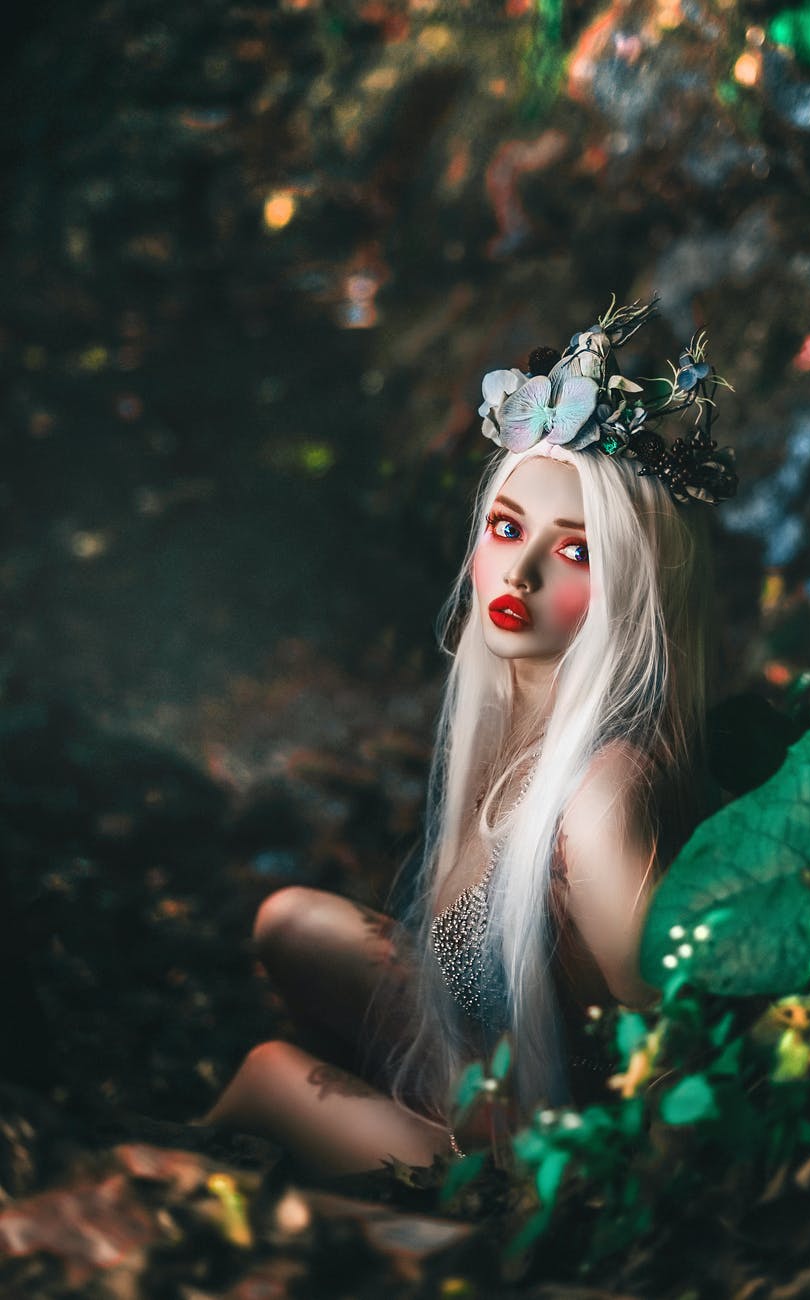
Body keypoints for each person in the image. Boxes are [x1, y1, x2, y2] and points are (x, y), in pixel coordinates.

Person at [196, 298, 736, 1177]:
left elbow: (677, 1053)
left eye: (576, 552)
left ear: (633, 585)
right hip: (487, 1066)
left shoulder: (600, 799)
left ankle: (196, 1181)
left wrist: (581, 1204)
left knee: (269, 1076)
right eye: (507, 529)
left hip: (532, 1163)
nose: (518, 571)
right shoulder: (519, 730)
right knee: (290, 922)